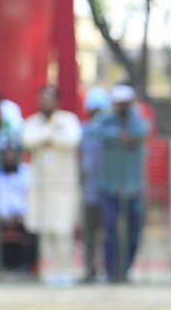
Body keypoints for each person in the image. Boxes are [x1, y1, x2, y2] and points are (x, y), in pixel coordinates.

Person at [22, 85, 83, 286]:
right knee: (45, 231)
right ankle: (48, 273)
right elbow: (27, 140)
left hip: (64, 187)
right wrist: (50, 133)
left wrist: (45, 137)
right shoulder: (33, 122)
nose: (45, 103)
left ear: (57, 101)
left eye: (49, 99)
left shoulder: (68, 120)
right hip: (41, 187)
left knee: (63, 230)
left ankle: (65, 272)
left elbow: (72, 140)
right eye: (42, 99)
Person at [90, 84, 150, 282]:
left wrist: (130, 119)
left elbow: (143, 129)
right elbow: (92, 129)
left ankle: (125, 270)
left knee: (134, 229)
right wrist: (117, 134)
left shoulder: (137, 115)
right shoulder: (107, 117)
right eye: (119, 103)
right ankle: (109, 270)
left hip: (134, 185)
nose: (122, 106)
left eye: (126, 103)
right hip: (109, 184)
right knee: (109, 227)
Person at [80, 87, 111, 283]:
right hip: (89, 191)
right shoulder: (83, 130)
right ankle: (90, 271)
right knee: (89, 235)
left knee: (109, 234)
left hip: (108, 191)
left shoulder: (111, 131)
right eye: (93, 110)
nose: (96, 115)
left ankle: (109, 269)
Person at [0, 145, 35, 274]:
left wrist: (21, 217)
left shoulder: (28, 173)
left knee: (34, 229)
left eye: (12, 155)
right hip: (3, 219)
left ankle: (27, 268)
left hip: (24, 217)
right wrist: (3, 218)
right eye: (5, 156)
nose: (9, 159)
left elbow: (31, 199)